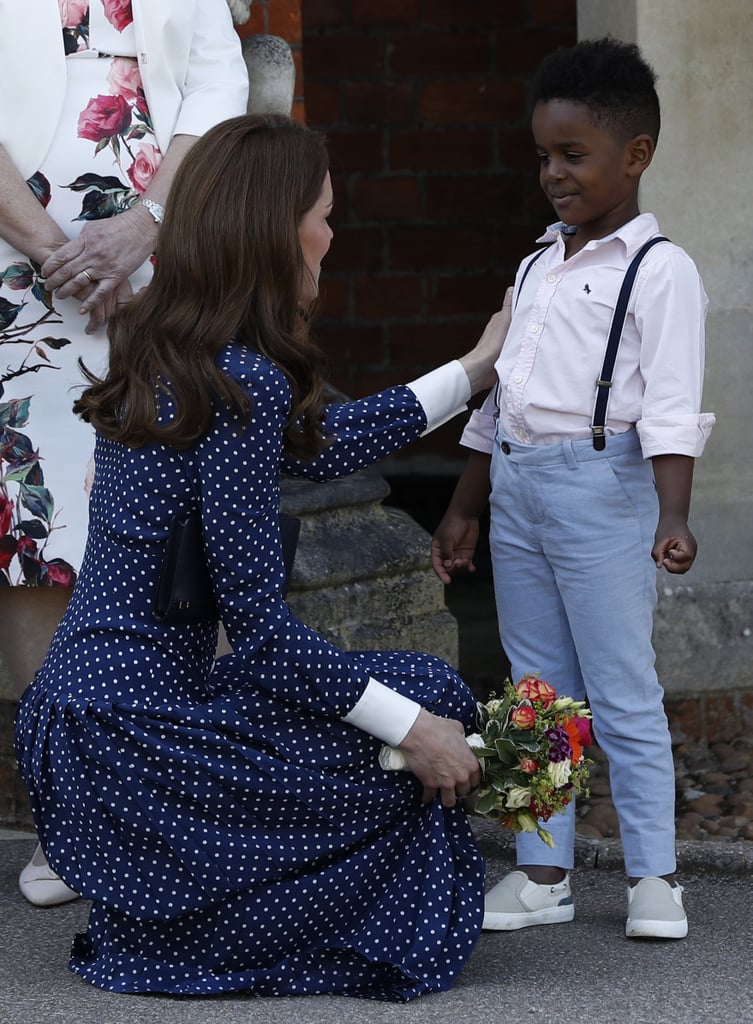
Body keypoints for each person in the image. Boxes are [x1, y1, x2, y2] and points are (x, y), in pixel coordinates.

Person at [14, 113, 512, 999]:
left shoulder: (177, 352)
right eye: (322, 213)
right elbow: (263, 633)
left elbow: (317, 442)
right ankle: (207, 928)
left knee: (409, 706)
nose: (332, 232)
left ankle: (183, 913)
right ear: (275, 231)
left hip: (80, 727)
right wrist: (418, 735)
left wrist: (474, 368)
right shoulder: (237, 383)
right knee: (425, 708)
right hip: (135, 742)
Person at [432, 37, 715, 941]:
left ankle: (653, 878)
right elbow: (500, 393)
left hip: (605, 491)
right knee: (536, 690)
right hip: (516, 488)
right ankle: (542, 871)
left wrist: (671, 516)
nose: (552, 175)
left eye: (573, 156)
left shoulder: (658, 270)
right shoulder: (535, 265)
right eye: (543, 157)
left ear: (636, 154)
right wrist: (464, 504)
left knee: (621, 687)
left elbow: (671, 407)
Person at [0, 1, 249, 904]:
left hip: (171, 250)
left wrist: (146, 223)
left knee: (197, 517)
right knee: (39, 530)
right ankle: (65, 818)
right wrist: (57, 254)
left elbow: (220, 83)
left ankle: (194, 800)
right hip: (18, 274)